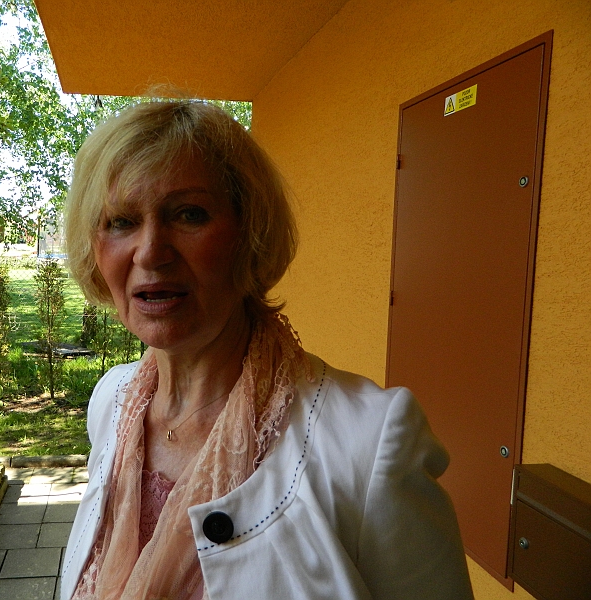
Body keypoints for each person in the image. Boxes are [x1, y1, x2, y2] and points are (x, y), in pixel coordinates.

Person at [60, 100, 474, 600]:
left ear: (249, 234)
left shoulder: (371, 443)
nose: (150, 252)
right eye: (121, 221)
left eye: (189, 214)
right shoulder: (112, 403)